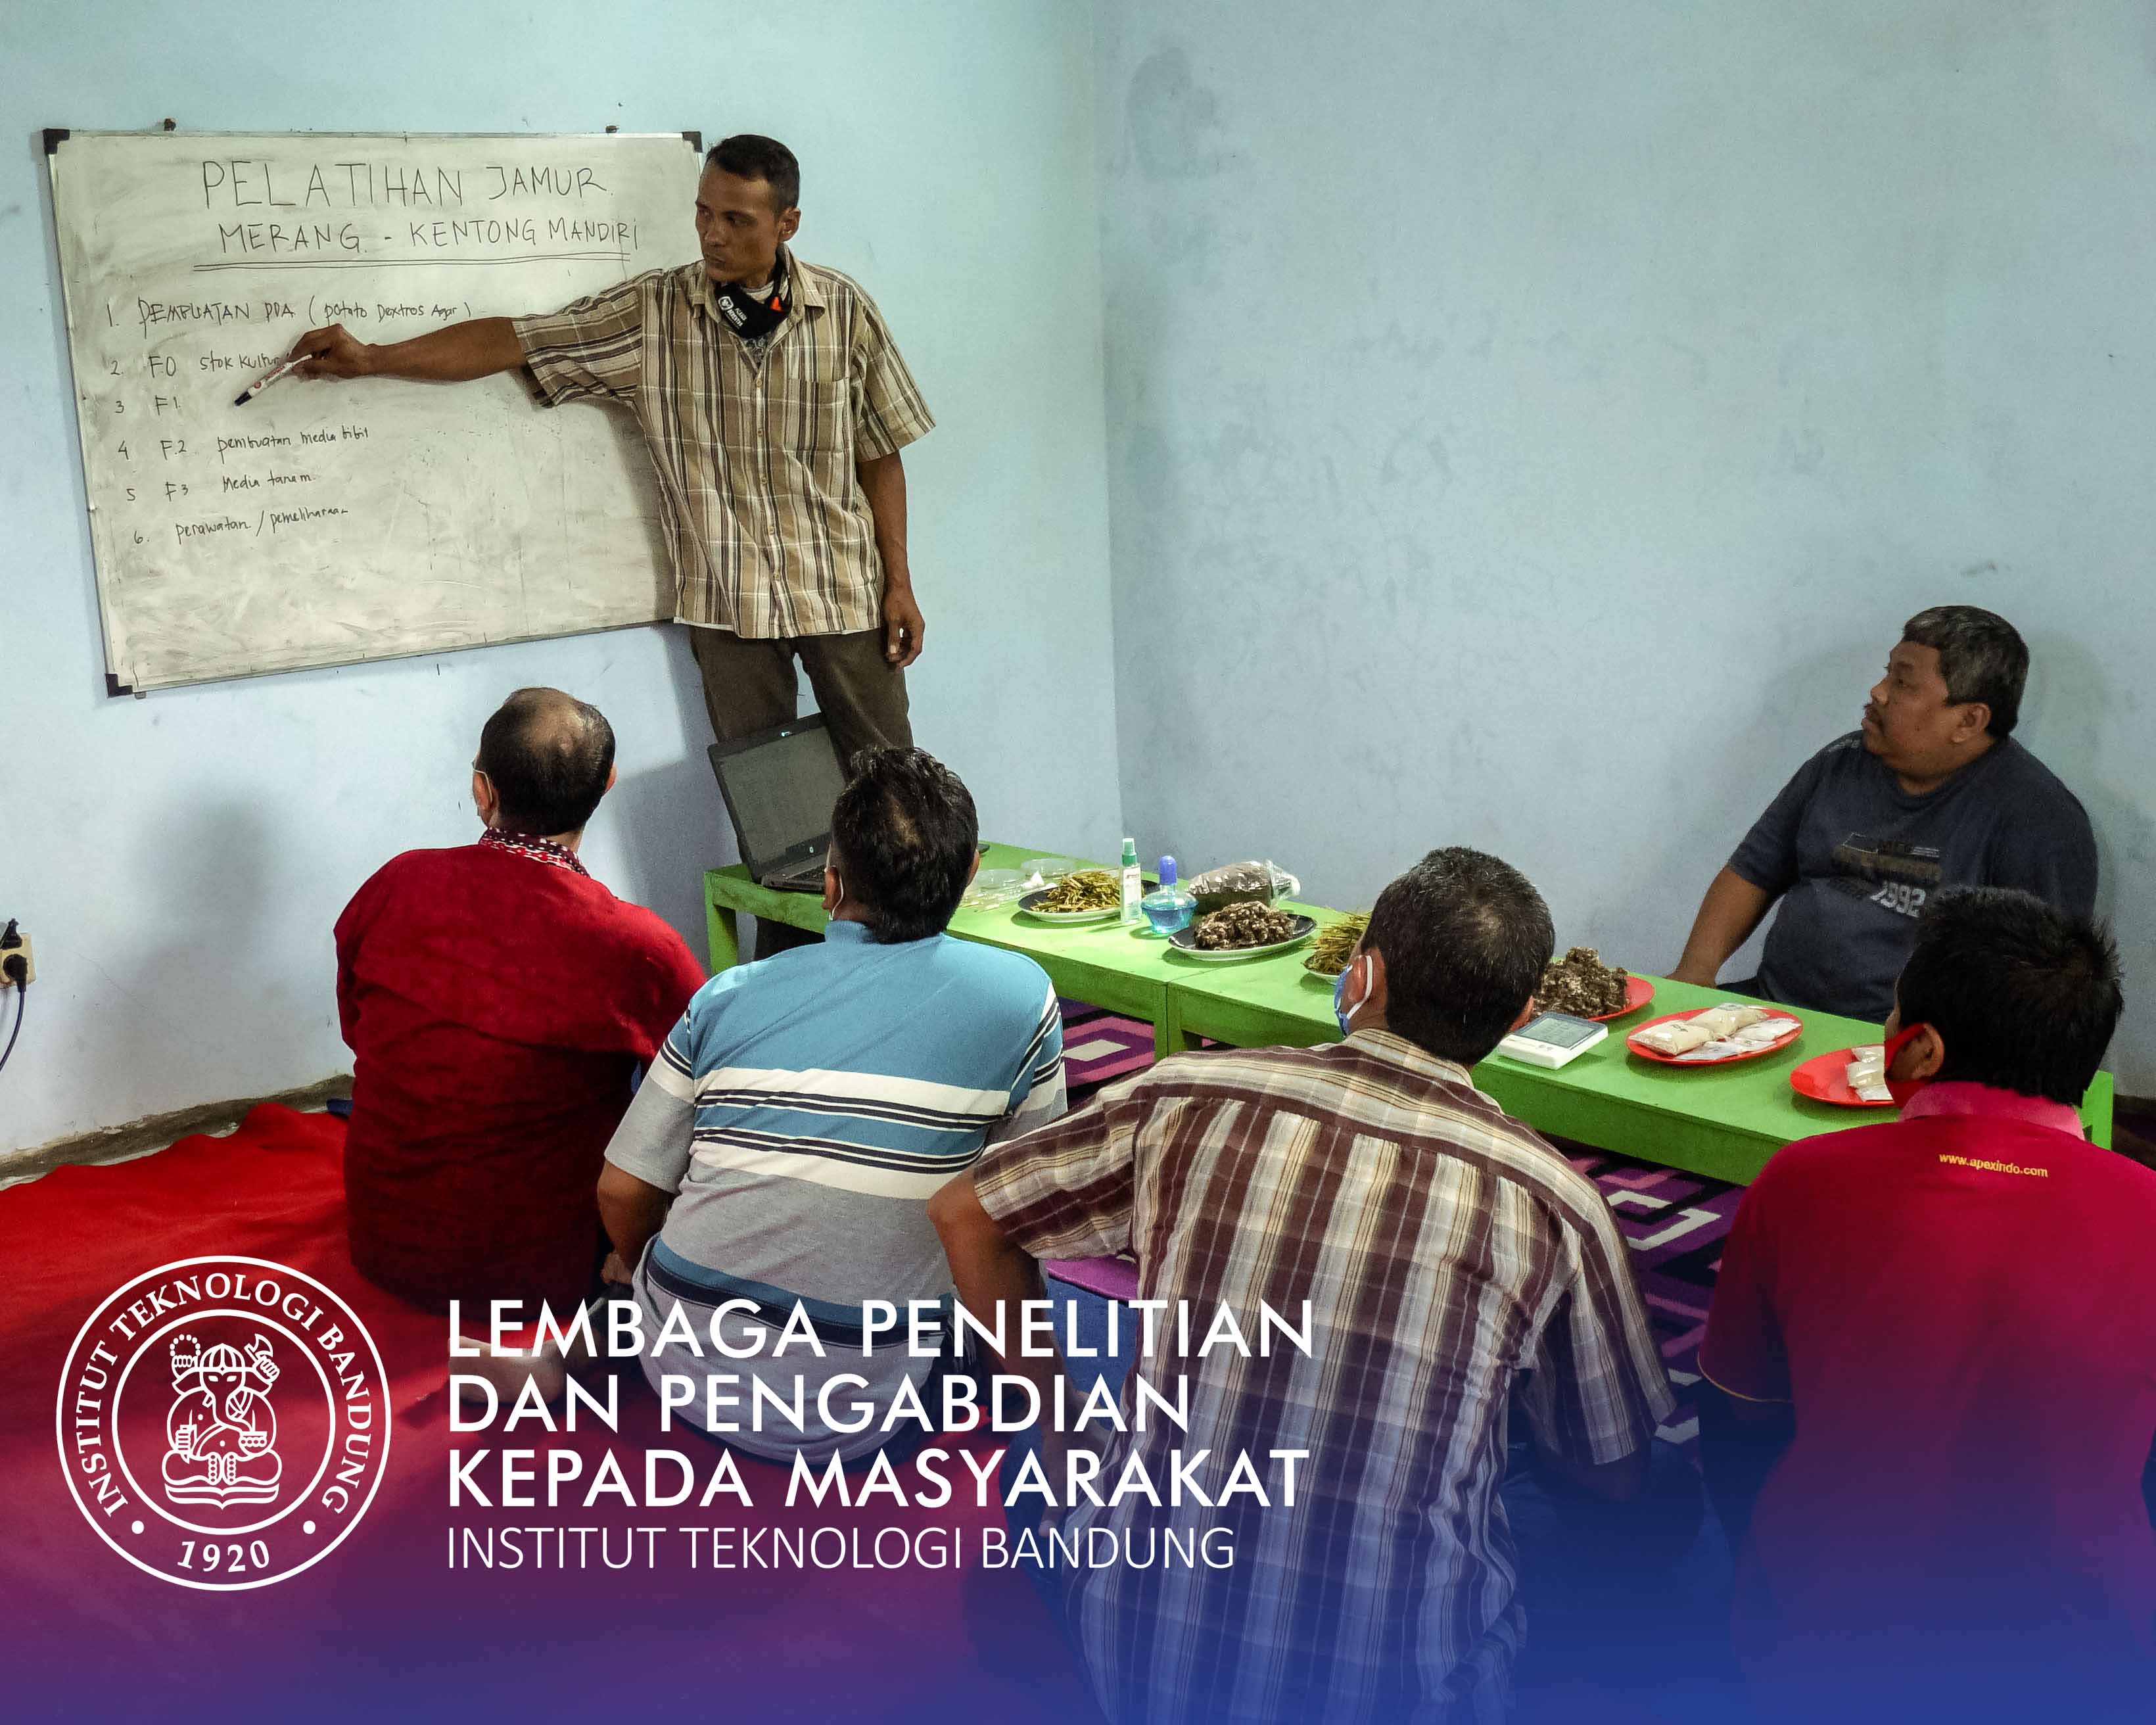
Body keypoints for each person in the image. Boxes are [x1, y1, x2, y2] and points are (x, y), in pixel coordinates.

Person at [929, 847, 1679, 1725]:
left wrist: (1061, 1430)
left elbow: (966, 1213)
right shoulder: (1556, 1204)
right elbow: (1610, 1480)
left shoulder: (1185, 1094)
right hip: (1405, 1690)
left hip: (1133, 1654)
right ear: (1521, 1018)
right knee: (1655, 1502)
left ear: (1360, 977)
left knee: (1059, 1422)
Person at [287, 135, 933, 957]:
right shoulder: (652, 314)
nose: (712, 233)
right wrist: (373, 358)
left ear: (788, 223)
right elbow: (517, 340)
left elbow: (882, 449)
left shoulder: (844, 310)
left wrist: (899, 580)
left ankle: (915, 954)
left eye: (736, 219)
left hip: (843, 586)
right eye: (703, 212)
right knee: (774, 827)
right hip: (727, 604)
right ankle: (788, 977)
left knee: (890, 784)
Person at [1698, 887, 2156, 1721]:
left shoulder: (1802, 1180)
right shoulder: (2148, 1208)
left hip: (1822, 1644)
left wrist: (1763, 1568)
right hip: (2087, 1660)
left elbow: (1736, 1422)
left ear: (1917, 1049)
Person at [578, 747, 1064, 1463]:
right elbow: (1031, 1211)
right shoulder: (1019, 996)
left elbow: (620, 1187)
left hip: (679, 1372)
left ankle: (578, 1352)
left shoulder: (727, 993)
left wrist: (642, 1258)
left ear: (830, 885)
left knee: (656, 1230)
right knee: (995, 1243)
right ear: (967, 875)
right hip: (871, 1419)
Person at [335, 688, 705, 1314]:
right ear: (608, 783)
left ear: (484, 792)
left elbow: (355, 1025)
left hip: (385, 1244)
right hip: (545, 1274)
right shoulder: (639, 945)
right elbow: (710, 1096)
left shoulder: (397, 882)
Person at [1672, 605, 2096, 1021]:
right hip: (1774, 1011)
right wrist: (1694, 974)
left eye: (1904, 683)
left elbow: (2041, 985)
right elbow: (1752, 870)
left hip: (1910, 1051)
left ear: (1969, 720)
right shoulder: (1840, 762)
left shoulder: (2040, 819)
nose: (1878, 691)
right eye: (1887, 672)